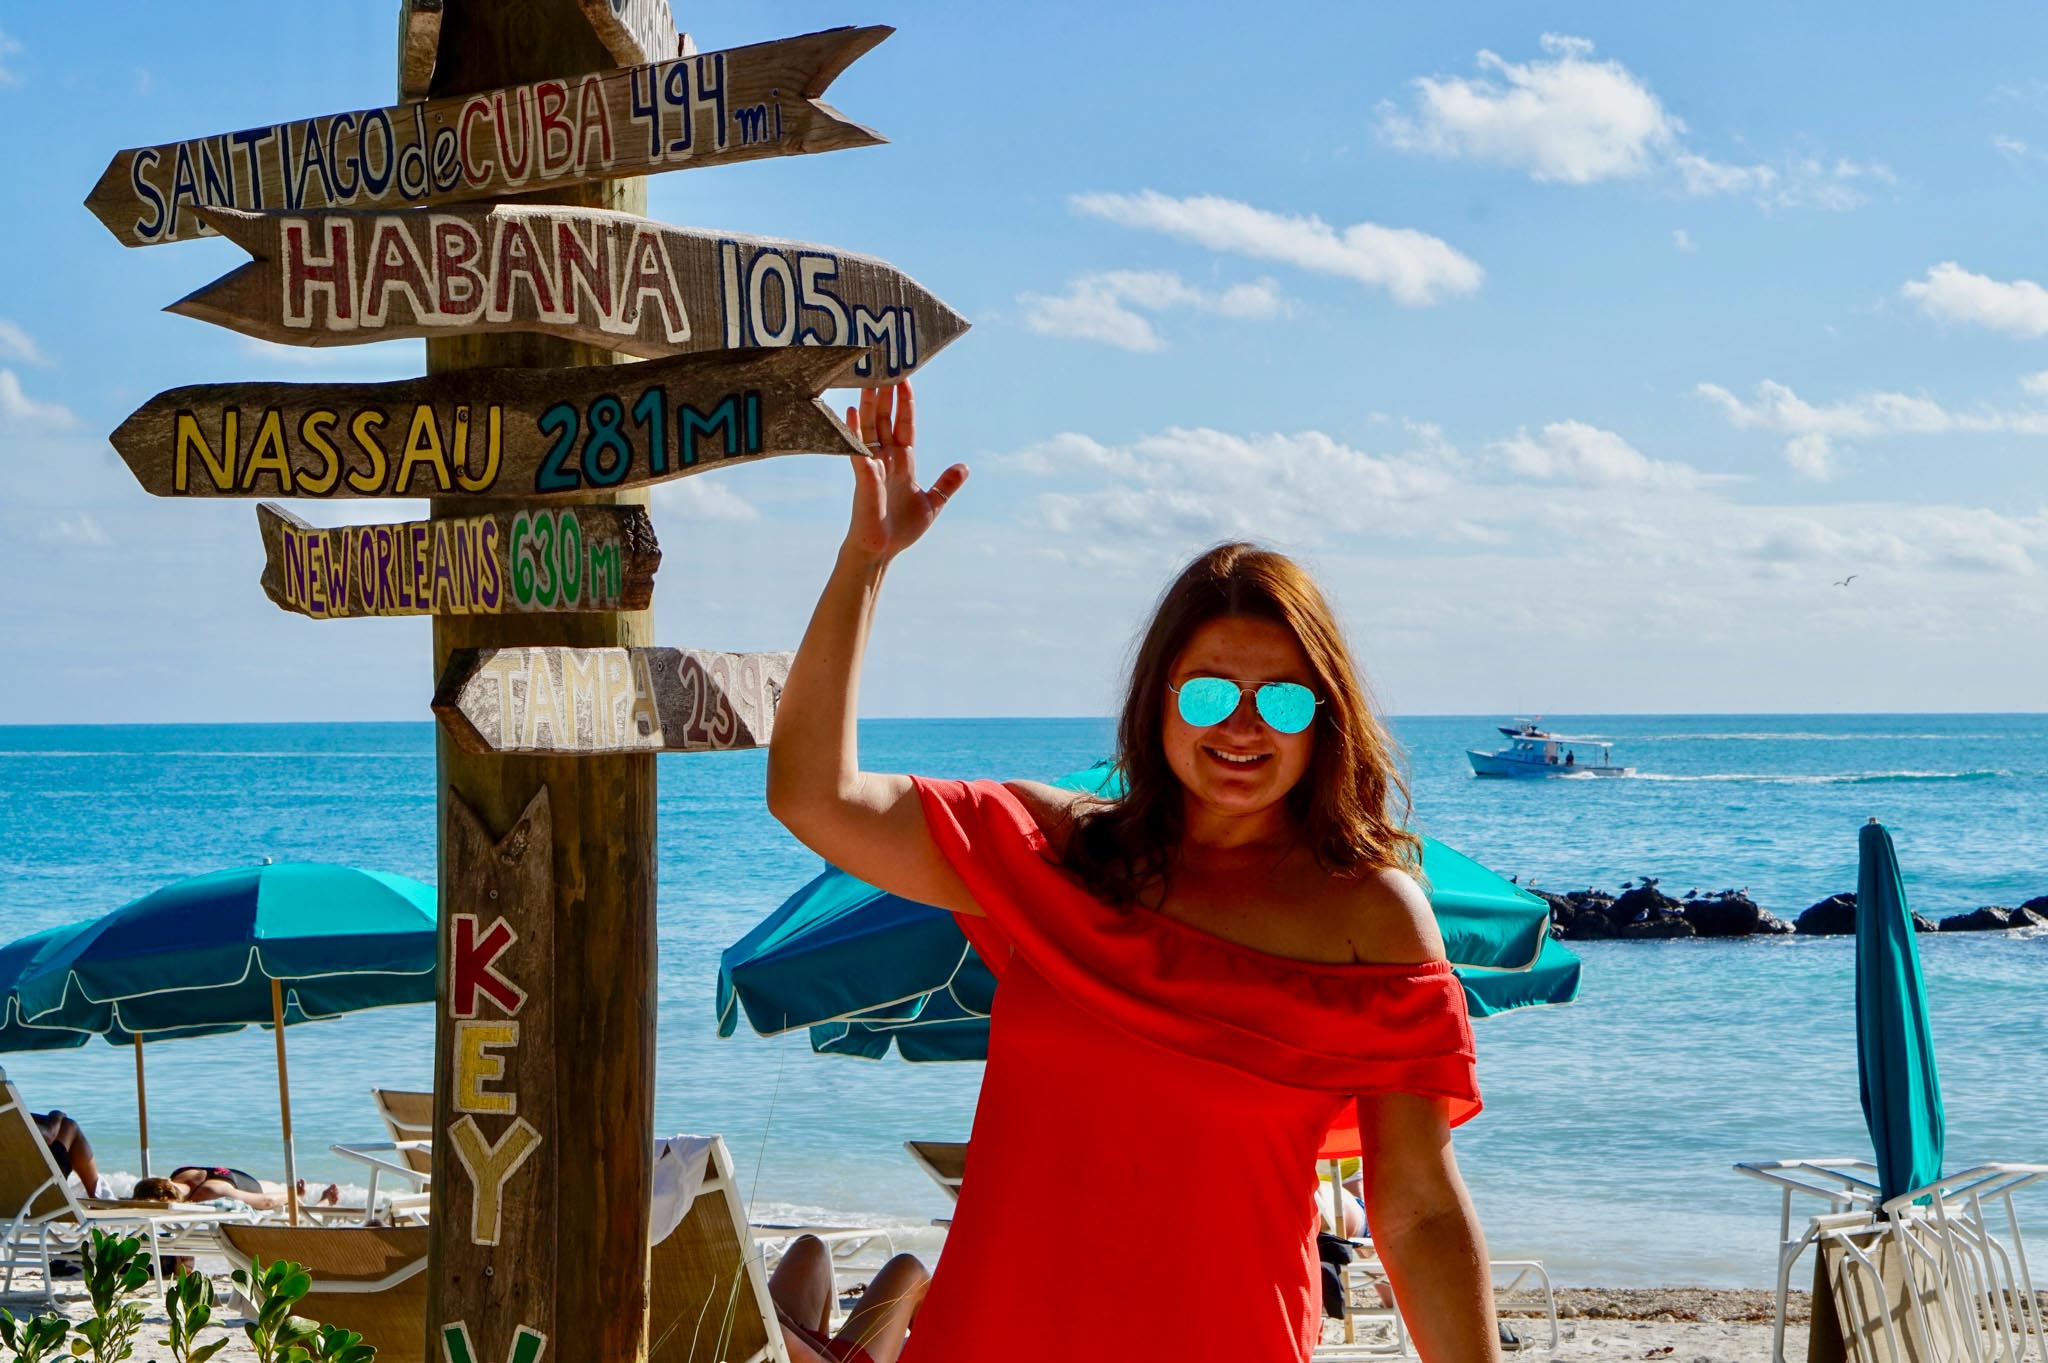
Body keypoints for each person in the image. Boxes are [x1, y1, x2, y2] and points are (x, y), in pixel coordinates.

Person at [767, 382, 1500, 1363]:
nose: (1241, 727)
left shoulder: (1366, 914)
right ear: (1156, 699)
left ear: (1323, 719)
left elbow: (1413, 1211)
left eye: (1281, 702)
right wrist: (866, 560)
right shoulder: (1053, 851)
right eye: (1207, 691)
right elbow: (812, 796)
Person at [769, 1234, 927, 1363]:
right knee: (909, 1269)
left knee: (809, 1247)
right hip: (797, 1348)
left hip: (790, 1346)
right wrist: (784, 1321)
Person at [132, 1167, 337, 1212]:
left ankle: (320, 1205)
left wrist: (294, 1195)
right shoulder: (179, 1175)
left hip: (254, 1188)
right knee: (287, 1199)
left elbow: (266, 1202)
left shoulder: (209, 1193)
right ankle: (316, 1203)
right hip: (231, 1176)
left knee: (288, 1203)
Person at [33, 1111, 102, 1196]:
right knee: (71, 1126)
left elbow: (26, 1118)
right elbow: (49, 1135)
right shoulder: (13, 1120)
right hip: (38, 1182)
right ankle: (96, 1194)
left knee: (67, 1124)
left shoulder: (12, 1119)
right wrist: (56, 1114)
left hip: (17, 1175)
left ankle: (98, 1193)